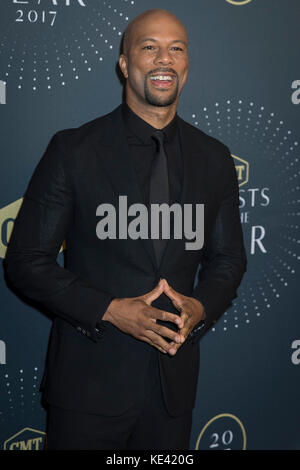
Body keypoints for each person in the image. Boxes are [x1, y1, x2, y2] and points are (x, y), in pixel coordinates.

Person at [4, 9, 247, 450]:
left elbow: (228, 260)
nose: (164, 60)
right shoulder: (73, 151)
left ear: (187, 63)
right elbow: (24, 262)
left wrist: (198, 309)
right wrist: (112, 309)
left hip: (171, 394)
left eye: (176, 49)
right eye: (149, 47)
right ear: (124, 63)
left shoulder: (214, 158)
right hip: (86, 391)